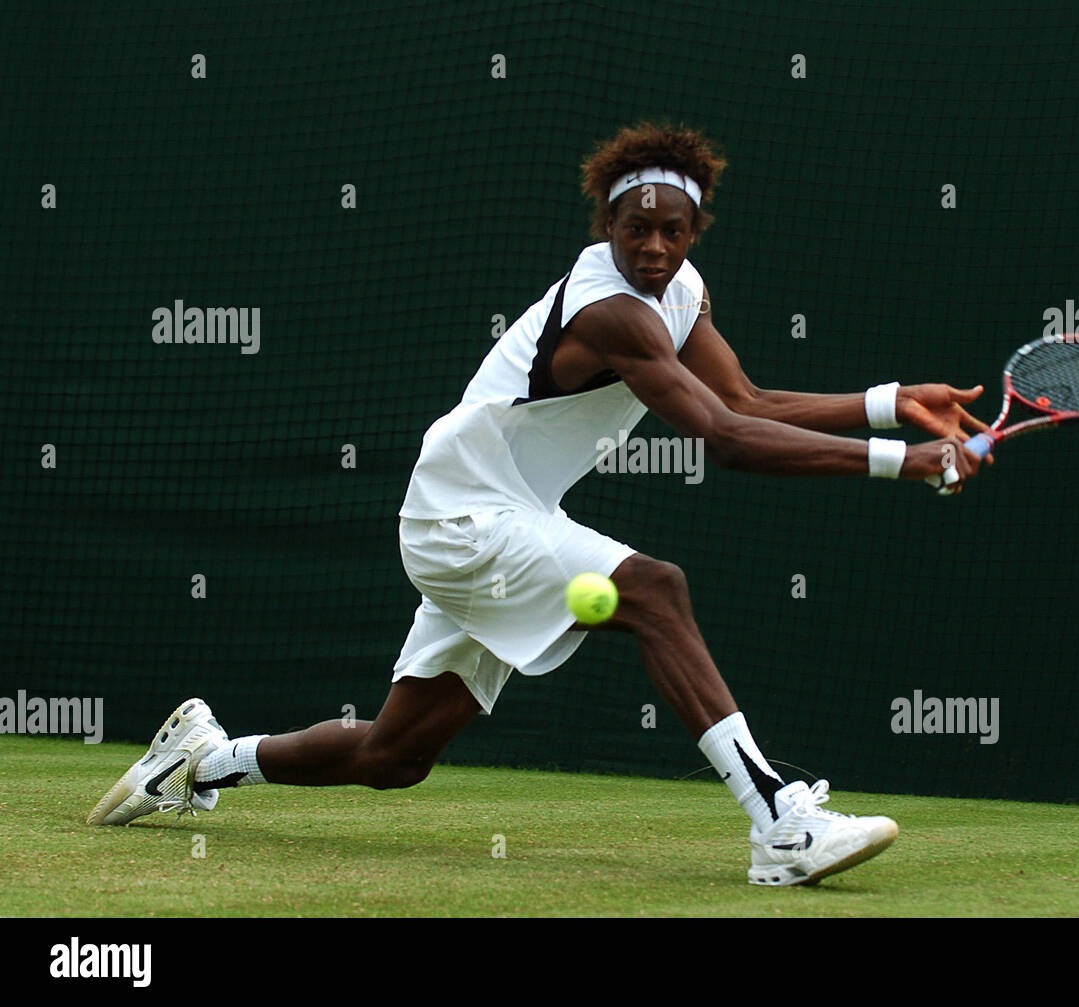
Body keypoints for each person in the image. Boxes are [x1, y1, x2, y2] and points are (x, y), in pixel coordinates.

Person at [89, 122, 990, 886]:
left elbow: (745, 400)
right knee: (656, 589)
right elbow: (723, 439)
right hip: (463, 515)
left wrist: (888, 399)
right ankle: (780, 826)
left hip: (502, 515)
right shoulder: (614, 313)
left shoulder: (681, 294)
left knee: (393, 757)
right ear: (607, 222)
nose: (653, 247)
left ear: (694, 232)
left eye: (673, 231)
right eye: (636, 228)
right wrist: (905, 464)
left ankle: (202, 758)